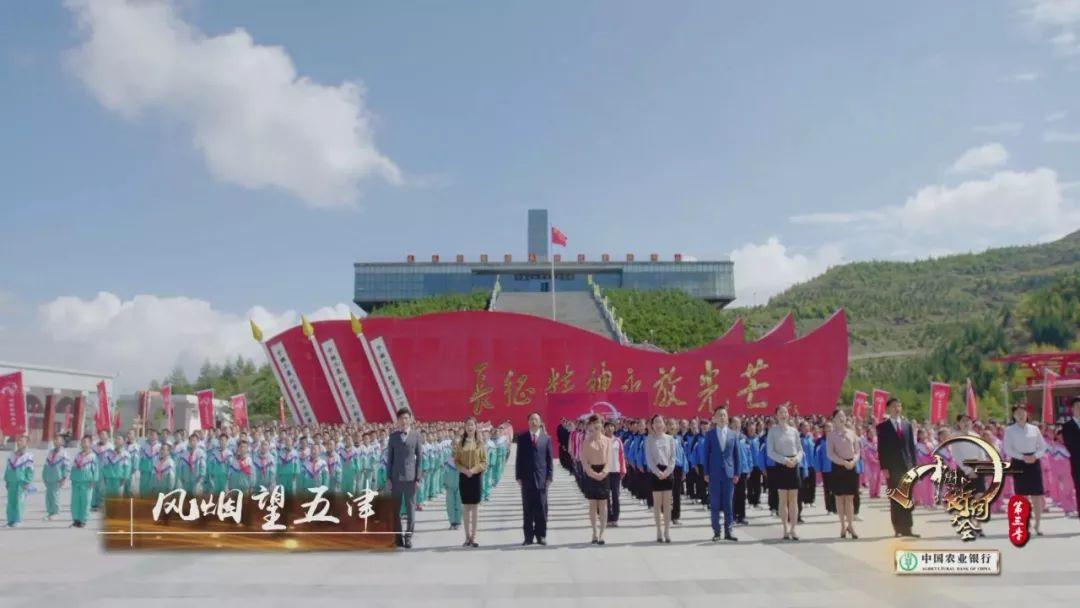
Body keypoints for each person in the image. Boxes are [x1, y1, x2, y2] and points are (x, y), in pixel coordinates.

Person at [876, 397, 918, 538]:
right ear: (889, 408)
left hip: (907, 466)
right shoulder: (882, 427)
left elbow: (911, 447)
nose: (897, 408)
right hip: (892, 467)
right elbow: (881, 449)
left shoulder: (907, 425)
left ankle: (908, 528)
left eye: (899, 406)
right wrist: (884, 467)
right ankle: (898, 528)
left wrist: (914, 466)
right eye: (894, 406)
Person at [1004, 405, 1048, 536]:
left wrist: (1036, 456)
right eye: (1017, 413)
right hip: (1019, 462)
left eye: (1023, 412)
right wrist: (1022, 457)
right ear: (1014, 416)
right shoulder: (1010, 430)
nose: (1021, 415)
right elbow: (1008, 449)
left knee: (1037, 495)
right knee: (1022, 495)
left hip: (1034, 462)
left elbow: (1043, 446)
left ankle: (1037, 524)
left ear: (1027, 414)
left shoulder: (1034, 429)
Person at [515, 411, 553, 546]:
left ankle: (541, 535)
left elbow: (549, 460)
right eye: (531, 419)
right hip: (526, 479)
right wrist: (518, 476)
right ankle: (528, 537)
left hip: (542, 479)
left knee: (541, 509)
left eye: (536, 419)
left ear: (540, 422)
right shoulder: (522, 437)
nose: (533, 421)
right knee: (527, 509)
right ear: (528, 422)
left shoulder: (546, 438)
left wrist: (549, 477)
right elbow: (519, 458)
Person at [387, 408, 423, 548]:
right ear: (398, 420)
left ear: (410, 419)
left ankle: (408, 537)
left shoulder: (416, 435)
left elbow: (420, 458)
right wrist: (388, 478)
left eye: (406, 418)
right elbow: (390, 459)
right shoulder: (393, 437)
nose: (404, 421)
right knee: (395, 511)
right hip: (396, 478)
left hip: (410, 479)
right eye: (401, 418)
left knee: (410, 509)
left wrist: (418, 478)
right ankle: (398, 537)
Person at [704, 407, 741, 542]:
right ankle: (716, 532)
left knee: (728, 504)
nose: (722, 417)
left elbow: (737, 455)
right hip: (714, 473)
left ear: (727, 418)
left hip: (729, 474)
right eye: (719, 415)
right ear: (714, 418)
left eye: (724, 415)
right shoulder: (710, 434)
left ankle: (729, 531)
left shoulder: (733, 434)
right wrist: (706, 472)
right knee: (714, 504)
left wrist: (737, 473)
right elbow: (706, 455)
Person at [767, 404, 803, 540]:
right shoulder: (773, 431)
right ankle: (785, 528)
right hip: (781, 465)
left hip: (794, 465)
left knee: (793, 499)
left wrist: (796, 459)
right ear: (776, 415)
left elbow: (800, 449)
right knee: (783, 499)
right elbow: (770, 452)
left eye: (786, 412)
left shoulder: (793, 431)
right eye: (781, 413)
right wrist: (784, 460)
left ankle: (793, 528)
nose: (784, 415)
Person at [827, 409, 861, 539]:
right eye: (839, 416)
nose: (842, 418)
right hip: (838, 467)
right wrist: (843, 462)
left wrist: (853, 461)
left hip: (851, 466)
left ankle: (851, 525)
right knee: (839, 498)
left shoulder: (851, 433)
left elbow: (857, 451)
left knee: (850, 498)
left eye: (843, 416)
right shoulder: (831, 435)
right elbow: (830, 454)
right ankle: (842, 526)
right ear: (834, 419)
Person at [454, 416, 487, 547]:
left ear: (475, 426)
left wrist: (473, 470)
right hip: (464, 477)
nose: (470, 427)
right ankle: (467, 537)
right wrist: (464, 470)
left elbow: (484, 462)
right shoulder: (460, 444)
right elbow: (456, 461)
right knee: (466, 507)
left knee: (475, 507)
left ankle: (474, 537)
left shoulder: (480, 443)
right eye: (468, 424)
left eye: (472, 424)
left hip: (476, 477)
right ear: (465, 427)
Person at [580, 414, 612, 545]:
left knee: (603, 505)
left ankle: (602, 533)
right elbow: (584, 460)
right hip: (591, 474)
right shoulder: (586, 441)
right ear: (590, 426)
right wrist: (592, 473)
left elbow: (609, 460)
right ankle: (594, 531)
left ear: (602, 424)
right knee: (592, 505)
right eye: (593, 423)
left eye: (598, 423)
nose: (596, 425)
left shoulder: (608, 441)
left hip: (604, 474)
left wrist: (604, 472)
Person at [645, 414, 676, 543]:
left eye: (660, 422)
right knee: (657, 505)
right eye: (655, 422)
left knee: (667, 505)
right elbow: (649, 459)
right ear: (652, 425)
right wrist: (658, 473)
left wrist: (667, 472)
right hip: (655, 473)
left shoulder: (670, 439)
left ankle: (667, 531)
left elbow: (673, 458)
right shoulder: (649, 440)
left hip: (668, 473)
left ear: (664, 424)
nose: (658, 424)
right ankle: (659, 530)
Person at [70, 435, 98, 528]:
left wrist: (93, 480)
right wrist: (72, 478)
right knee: (75, 501)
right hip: (76, 481)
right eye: (82, 442)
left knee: (85, 502)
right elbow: (74, 467)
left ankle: (83, 520)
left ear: (90, 443)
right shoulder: (78, 455)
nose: (84, 444)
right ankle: (76, 519)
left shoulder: (93, 456)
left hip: (87, 482)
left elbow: (95, 470)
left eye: (86, 442)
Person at [5, 435, 33, 527]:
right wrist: (7, 480)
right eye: (18, 440)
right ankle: (10, 520)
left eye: (22, 441)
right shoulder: (11, 455)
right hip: (11, 481)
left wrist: (27, 481)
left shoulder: (28, 456)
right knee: (11, 501)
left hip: (21, 482)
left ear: (26, 443)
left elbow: (30, 470)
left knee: (19, 501)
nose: (19, 442)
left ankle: (18, 519)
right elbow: (8, 468)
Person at [603, 421, 626, 527]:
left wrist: (623, 470)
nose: (610, 428)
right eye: (608, 427)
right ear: (604, 428)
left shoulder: (618, 441)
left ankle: (615, 518)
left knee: (616, 495)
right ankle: (608, 518)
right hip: (605, 472)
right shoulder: (602, 440)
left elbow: (621, 456)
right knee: (606, 496)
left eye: (612, 426)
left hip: (616, 471)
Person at [42, 435, 70, 521]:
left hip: (57, 478)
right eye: (55, 440)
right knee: (48, 496)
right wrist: (44, 476)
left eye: (58, 440)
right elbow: (46, 465)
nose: (56, 441)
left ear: (62, 442)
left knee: (55, 495)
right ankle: (50, 512)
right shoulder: (50, 452)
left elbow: (66, 466)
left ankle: (56, 512)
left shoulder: (64, 453)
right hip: (48, 477)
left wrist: (64, 477)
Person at [1062, 397, 1080, 521]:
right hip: (1077, 462)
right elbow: (1070, 444)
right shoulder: (1067, 426)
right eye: (1077, 407)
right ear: (1072, 409)